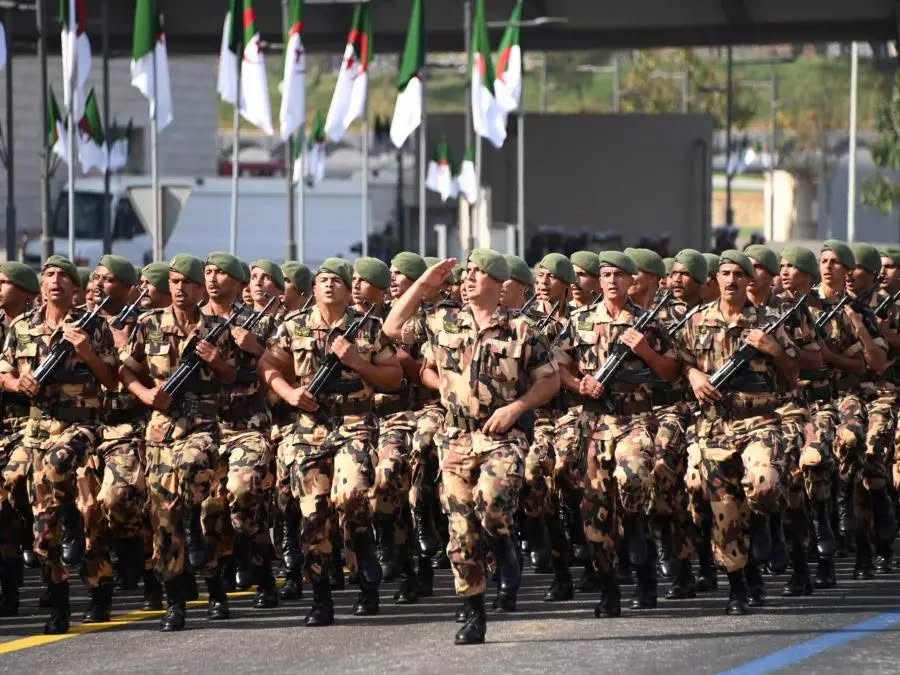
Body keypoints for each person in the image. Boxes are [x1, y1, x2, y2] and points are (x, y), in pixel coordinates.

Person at [384, 250, 559, 645]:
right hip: (455, 437)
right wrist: (424, 285)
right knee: (461, 532)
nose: (468, 278)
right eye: (467, 272)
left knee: (492, 502)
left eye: (479, 272)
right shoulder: (443, 320)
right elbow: (393, 327)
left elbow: (548, 381)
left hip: (502, 436)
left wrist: (517, 408)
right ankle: (474, 612)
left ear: (498, 283)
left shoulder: (521, 328)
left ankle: (504, 543)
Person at [259, 258, 401, 627]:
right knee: (313, 514)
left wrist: (359, 363)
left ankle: (365, 576)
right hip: (309, 430)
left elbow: (394, 377)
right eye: (322, 279)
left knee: (352, 497)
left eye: (336, 280)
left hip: (354, 425)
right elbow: (268, 366)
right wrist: (289, 393)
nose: (328, 285)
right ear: (314, 287)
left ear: (348, 289)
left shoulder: (368, 327)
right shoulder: (294, 325)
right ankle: (321, 598)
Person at [557, 251, 679, 617]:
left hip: (635, 420)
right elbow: (559, 366)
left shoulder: (648, 322)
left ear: (630, 281)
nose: (612, 281)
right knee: (595, 511)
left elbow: (670, 372)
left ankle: (644, 573)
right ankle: (609, 588)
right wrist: (580, 384)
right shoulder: (579, 320)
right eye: (606, 274)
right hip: (594, 423)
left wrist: (645, 352)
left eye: (618, 275)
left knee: (633, 482)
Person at [0, 256, 118, 634]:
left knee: (68, 483)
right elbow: (4, 370)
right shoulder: (22, 326)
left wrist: (87, 354)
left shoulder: (93, 325)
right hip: (36, 430)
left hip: (81, 427)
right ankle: (57, 600)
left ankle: (99, 592)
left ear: (75, 287)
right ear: (41, 284)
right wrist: (17, 383)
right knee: (40, 523)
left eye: (64, 276)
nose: (55, 281)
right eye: (49, 275)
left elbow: (111, 380)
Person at [677, 250, 798, 615]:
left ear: (749, 280)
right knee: (725, 511)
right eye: (725, 273)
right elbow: (680, 364)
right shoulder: (697, 320)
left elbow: (793, 375)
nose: (731, 280)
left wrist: (774, 349)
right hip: (715, 425)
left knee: (763, 485)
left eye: (738, 274)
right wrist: (693, 375)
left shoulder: (769, 321)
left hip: (760, 420)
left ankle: (763, 525)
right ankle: (740, 587)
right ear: (716, 279)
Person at [120, 254, 237, 632]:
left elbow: (233, 375)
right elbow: (128, 369)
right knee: (164, 518)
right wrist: (145, 394)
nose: (180, 288)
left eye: (188, 282)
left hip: (202, 424)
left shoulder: (217, 328)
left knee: (195, 478)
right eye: (174, 281)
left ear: (201, 290)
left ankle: (215, 588)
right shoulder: (150, 324)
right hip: (161, 430)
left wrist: (216, 360)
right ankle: (176, 603)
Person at [0, 262, 41, 616]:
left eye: (4, 283)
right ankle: (9, 587)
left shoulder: (38, 327)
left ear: (27, 291)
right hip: (5, 425)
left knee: (15, 488)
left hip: (32, 425)